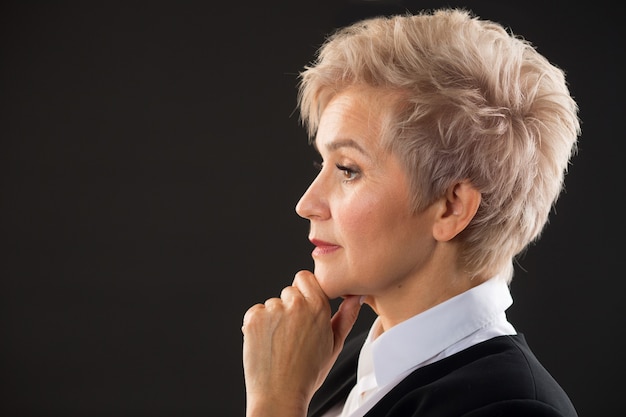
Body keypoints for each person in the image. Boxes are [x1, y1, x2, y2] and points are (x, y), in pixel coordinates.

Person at [242, 7, 580, 417]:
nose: (306, 204)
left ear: (451, 208)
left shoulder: (515, 408)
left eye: (348, 170)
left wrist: (276, 403)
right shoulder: (346, 362)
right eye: (323, 166)